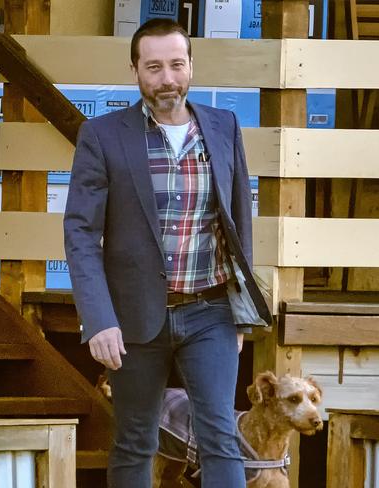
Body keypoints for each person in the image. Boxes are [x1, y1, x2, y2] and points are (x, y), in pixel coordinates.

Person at [63, 18, 271, 488]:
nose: (167, 78)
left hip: (210, 311)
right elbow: (79, 232)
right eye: (153, 67)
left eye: (176, 65)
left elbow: (238, 223)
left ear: (191, 66)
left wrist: (241, 313)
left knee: (220, 435)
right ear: (135, 70)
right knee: (136, 438)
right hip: (134, 317)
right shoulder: (103, 136)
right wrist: (98, 319)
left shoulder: (223, 126)